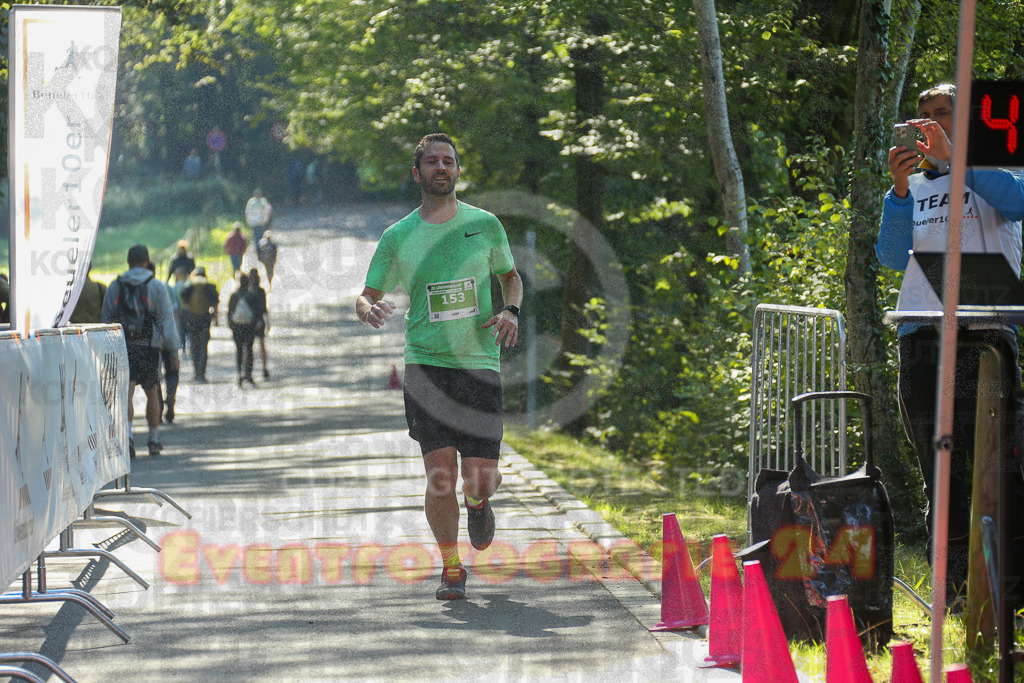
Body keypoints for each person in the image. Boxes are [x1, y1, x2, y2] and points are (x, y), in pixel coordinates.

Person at [875, 83, 1024, 609]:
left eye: (943, 114)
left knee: (996, 459)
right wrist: (897, 193)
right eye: (923, 116)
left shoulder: (1003, 169)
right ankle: (956, 589)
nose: (930, 123)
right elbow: (893, 257)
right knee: (938, 464)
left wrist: (955, 160)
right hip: (921, 329)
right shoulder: (914, 183)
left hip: (985, 328)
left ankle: (1009, 590)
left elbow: (1018, 204)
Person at [356, 132, 523, 601]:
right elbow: (366, 293)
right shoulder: (399, 235)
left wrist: (511, 311)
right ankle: (451, 569)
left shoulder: (485, 225)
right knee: (439, 475)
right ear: (417, 173)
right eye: (431, 162)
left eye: (448, 160)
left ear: (457, 169)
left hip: (479, 362)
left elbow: (510, 279)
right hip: (426, 364)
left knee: (479, 477)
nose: (441, 167)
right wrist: (365, 308)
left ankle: (479, 501)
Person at [101, 244, 179, 457]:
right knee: (152, 391)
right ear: (147, 261)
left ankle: (128, 438)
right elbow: (166, 320)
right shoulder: (156, 286)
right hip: (149, 346)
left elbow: (106, 320)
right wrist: (172, 351)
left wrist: (105, 350)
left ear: (128, 262)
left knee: (126, 393)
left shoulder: (115, 286)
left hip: (123, 345)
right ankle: (153, 439)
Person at [145, 261, 180, 424]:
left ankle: (158, 407)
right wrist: (173, 349)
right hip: (166, 339)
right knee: (172, 372)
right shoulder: (161, 288)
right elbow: (169, 319)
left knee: (155, 376)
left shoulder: (137, 291)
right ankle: (171, 399)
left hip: (152, 343)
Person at [180, 266, 220, 382]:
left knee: (194, 345)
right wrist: (216, 318)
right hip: (205, 318)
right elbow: (215, 303)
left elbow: (183, 299)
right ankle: (202, 374)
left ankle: (196, 372)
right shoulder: (208, 286)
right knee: (203, 346)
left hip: (192, 319)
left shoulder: (190, 285)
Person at [227, 272, 260, 387]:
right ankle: (248, 374)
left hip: (237, 326)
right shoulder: (252, 295)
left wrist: (231, 325)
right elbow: (256, 311)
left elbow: (230, 311)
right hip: (249, 326)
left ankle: (239, 374)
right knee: (249, 350)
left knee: (239, 350)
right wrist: (257, 324)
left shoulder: (234, 295)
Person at [248, 268, 271, 379]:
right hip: (260, 320)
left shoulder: (247, 291)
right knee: (261, 345)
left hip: (250, 321)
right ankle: (264, 367)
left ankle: (245, 368)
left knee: (246, 347)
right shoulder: (261, 291)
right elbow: (264, 307)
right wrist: (267, 321)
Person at [245, 189, 273, 259]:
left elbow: (266, 211)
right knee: (257, 236)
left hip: (260, 222)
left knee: (259, 236)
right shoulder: (252, 202)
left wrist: (265, 220)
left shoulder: (262, 201)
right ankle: (258, 250)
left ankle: (260, 250)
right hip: (255, 222)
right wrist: (248, 220)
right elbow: (248, 212)